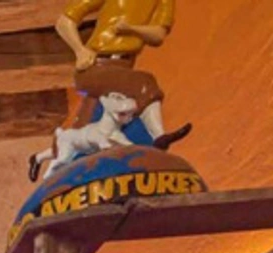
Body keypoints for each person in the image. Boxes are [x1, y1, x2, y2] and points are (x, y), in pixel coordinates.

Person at [52, 0, 190, 150]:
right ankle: (159, 136)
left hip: (123, 68)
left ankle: (59, 151)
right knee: (145, 82)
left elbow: (158, 35)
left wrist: (131, 29)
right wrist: (80, 50)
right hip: (97, 64)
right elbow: (64, 21)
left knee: (87, 122)